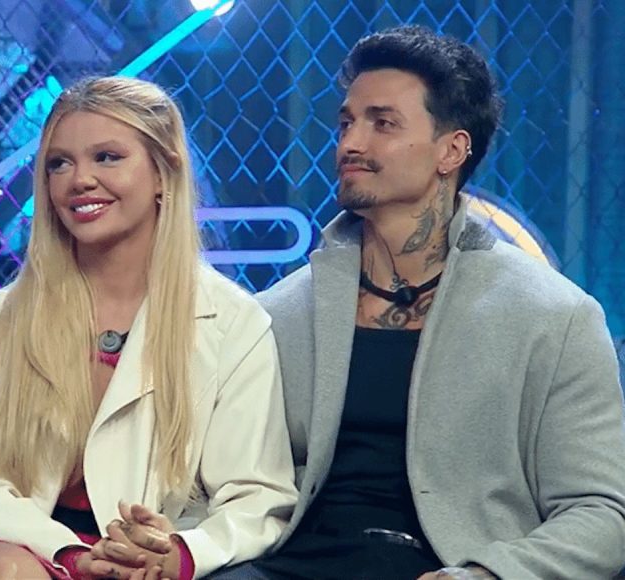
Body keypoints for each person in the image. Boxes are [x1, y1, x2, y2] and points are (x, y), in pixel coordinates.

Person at [210, 25, 625, 579]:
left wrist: (488, 574)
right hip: (288, 563)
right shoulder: (275, 314)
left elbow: (602, 513)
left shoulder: (555, 319)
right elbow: (220, 485)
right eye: (346, 123)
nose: (351, 144)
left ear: (451, 150)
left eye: (382, 124)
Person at [0, 76, 297, 580]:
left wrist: (179, 552)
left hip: (149, 559)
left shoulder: (233, 322)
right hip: (17, 548)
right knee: (9, 572)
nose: (79, 179)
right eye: (59, 163)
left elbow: (257, 496)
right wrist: (69, 556)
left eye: (107, 157)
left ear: (163, 172)